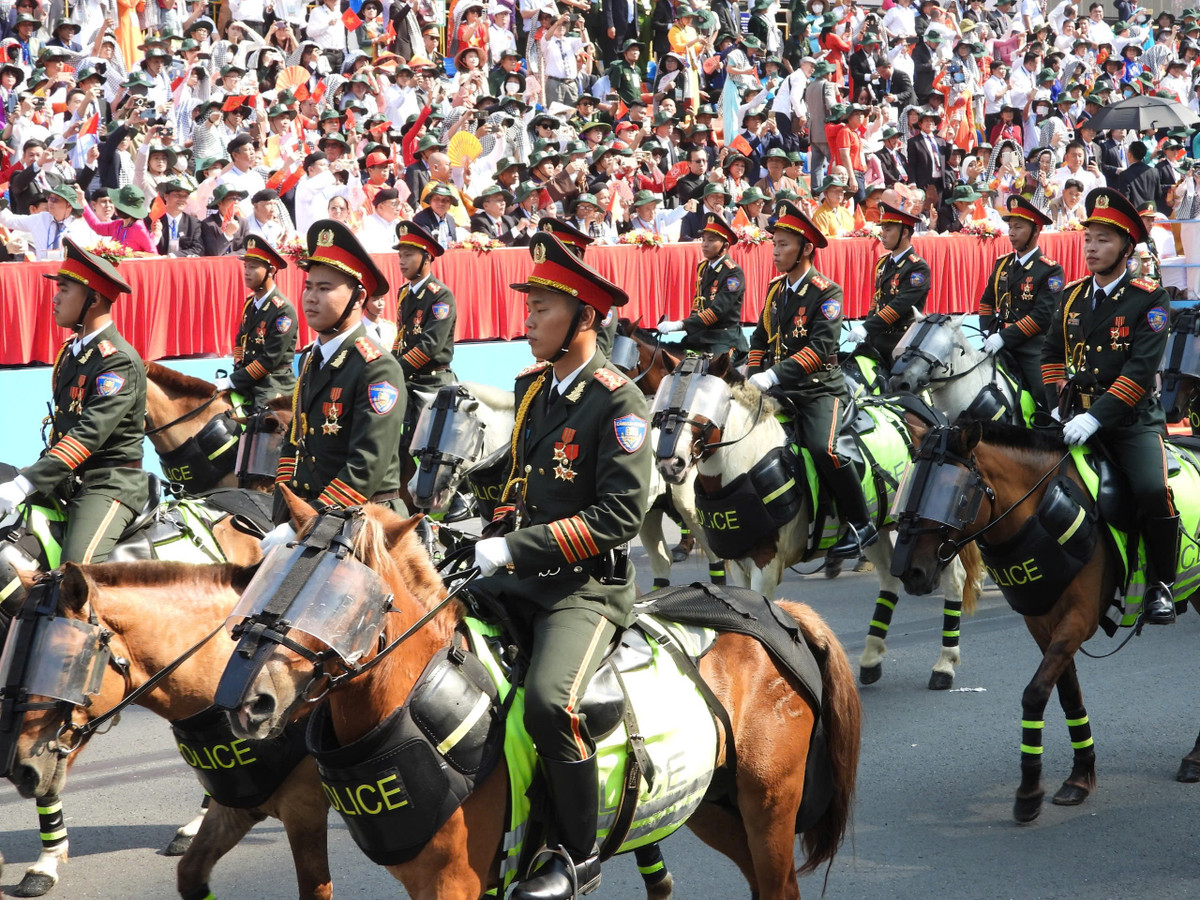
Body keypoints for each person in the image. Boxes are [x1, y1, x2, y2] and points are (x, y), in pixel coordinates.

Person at [471, 231, 650, 900]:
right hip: (518, 575)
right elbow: (518, 483)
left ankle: (578, 855)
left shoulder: (618, 401)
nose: (529, 322)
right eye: (528, 307)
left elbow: (617, 519)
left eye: (543, 309)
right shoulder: (530, 389)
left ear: (585, 318)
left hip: (585, 589)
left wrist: (516, 547)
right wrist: (467, 510)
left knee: (550, 703)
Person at [1041, 187, 1178, 625]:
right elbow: (1050, 356)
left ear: (1125, 247)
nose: (1092, 248)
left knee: (1151, 490)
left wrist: (1095, 417)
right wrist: (1059, 403)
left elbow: (1139, 373)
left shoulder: (1149, 298)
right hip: (1072, 418)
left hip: (1129, 422)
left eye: (1103, 239)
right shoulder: (1071, 297)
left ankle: (1160, 584)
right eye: (1088, 239)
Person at [0, 239, 149, 563]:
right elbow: (61, 427)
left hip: (108, 484)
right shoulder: (73, 351)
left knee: (72, 576)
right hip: (68, 477)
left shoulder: (117, 360)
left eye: (65, 290)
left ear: (93, 299)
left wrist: (26, 484)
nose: (55, 298)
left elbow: (87, 435)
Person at [746, 200, 877, 558]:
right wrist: (752, 374)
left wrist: (771, 374)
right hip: (779, 389)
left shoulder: (826, 291)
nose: (775, 251)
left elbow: (819, 350)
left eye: (783, 244)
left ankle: (860, 523)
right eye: (774, 243)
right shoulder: (776, 289)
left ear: (806, 248)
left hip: (818, 389)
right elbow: (761, 337)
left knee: (825, 449)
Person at [262, 220, 407, 542]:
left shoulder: (376, 367)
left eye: (324, 288)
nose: (311, 297)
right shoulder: (312, 358)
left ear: (358, 298)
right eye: (308, 286)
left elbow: (366, 465)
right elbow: (295, 442)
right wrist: (285, 509)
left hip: (365, 523)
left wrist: (309, 520)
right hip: (315, 517)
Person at [978, 195, 1064, 411]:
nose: (1012, 233)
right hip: (998, 340)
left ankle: (1052, 430)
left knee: (1043, 392)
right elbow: (987, 303)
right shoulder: (1003, 264)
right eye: (1010, 227)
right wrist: (990, 333)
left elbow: (1042, 316)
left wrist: (1004, 337)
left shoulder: (1050, 270)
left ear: (1036, 231)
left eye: (1019, 227)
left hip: (1032, 346)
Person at [213, 237, 298, 408]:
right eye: (246, 266)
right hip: (248, 378)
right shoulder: (250, 303)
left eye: (253, 267)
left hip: (272, 381)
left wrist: (233, 380)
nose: (246, 272)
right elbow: (241, 339)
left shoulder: (283, 311)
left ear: (271, 271)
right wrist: (238, 366)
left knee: (261, 422)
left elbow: (269, 360)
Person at [658, 213, 750, 362]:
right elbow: (698, 304)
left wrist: (681, 324)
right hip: (700, 335)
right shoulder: (703, 267)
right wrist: (689, 327)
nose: (705, 244)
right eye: (703, 239)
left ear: (725, 246)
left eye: (711, 240)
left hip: (722, 338)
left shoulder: (733, 272)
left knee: (713, 372)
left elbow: (717, 312)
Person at [849, 202, 930, 367]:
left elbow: (900, 305)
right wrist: (869, 327)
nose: (882, 235)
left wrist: (867, 327)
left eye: (888, 230)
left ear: (905, 232)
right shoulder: (883, 263)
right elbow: (877, 299)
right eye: (882, 229)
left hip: (901, 340)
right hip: (878, 336)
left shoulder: (917, 267)